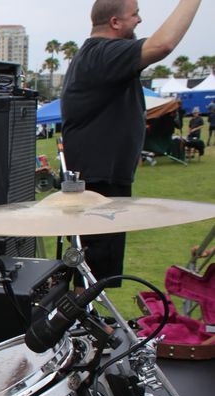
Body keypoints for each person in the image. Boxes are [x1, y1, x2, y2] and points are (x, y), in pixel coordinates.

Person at [61, 0, 200, 286]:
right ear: (115, 22)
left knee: (94, 280)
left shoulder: (100, 56)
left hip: (105, 179)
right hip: (100, 185)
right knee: (90, 281)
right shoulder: (103, 54)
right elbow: (162, 45)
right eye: (134, 14)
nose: (139, 20)